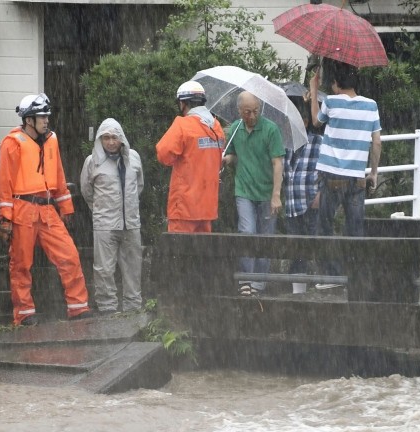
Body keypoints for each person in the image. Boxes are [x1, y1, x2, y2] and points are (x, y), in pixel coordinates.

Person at [0, 93, 92, 326]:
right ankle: (24, 313)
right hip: (22, 210)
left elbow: (58, 175)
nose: (46, 120)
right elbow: (5, 183)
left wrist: (66, 207)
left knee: (69, 256)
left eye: (47, 116)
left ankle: (78, 307)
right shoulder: (12, 143)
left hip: (48, 211)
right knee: (21, 264)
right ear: (29, 119)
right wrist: (5, 220)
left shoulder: (51, 140)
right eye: (42, 116)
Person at [310, 60, 381, 278]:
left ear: (336, 83)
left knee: (325, 227)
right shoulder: (371, 105)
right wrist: (374, 172)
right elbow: (377, 142)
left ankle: (332, 275)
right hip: (357, 178)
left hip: (332, 175)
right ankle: (356, 276)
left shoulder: (331, 101)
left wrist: (313, 91)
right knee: (355, 229)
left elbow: (315, 122)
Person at [221, 91, 285, 297]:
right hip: (244, 190)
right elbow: (232, 154)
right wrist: (226, 159)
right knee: (246, 232)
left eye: (256, 111)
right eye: (247, 112)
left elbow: (278, 163)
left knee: (265, 238)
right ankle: (246, 281)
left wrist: (276, 194)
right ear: (239, 111)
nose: (252, 116)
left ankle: (259, 284)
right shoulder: (235, 129)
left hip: (266, 192)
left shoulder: (270, 129)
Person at [80, 118, 144, 315]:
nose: (110, 142)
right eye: (106, 137)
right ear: (100, 139)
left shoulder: (133, 157)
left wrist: (128, 207)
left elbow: (139, 186)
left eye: (114, 137)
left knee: (133, 267)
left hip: (131, 222)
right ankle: (108, 307)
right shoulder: (93, 161)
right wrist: (100, 209)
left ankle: (133, 306)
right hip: (105, 224)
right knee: (104, 268)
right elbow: (86, 190)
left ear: (121, 138)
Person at [156, 80, 225, 233]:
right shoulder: (217, 126)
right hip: (207, 207)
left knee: (179, 254)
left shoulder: (182, 124)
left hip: (185, 207)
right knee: (202, 254)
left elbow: (163, 155)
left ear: (182, 103)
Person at [283, 95, 323, 293]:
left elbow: (327, 170)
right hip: (292, 204)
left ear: (306, 122)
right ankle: (298, 292)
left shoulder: (318, 142)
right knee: (296, 249)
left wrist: (320, 195)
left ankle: (320, 287)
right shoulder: (286, 145)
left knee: (313, 247)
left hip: (311, 203)